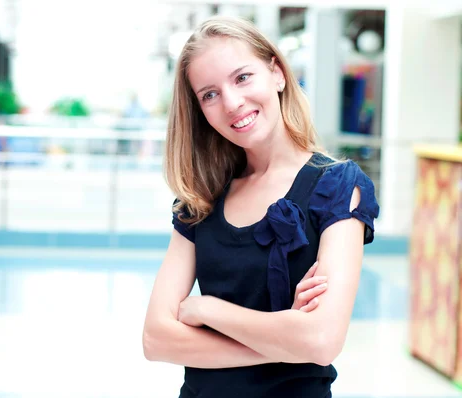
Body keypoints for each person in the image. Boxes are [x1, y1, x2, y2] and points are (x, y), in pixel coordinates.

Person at [142, 15, 380, 398]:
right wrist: (285, 337)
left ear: (277, 73)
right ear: (199, 110)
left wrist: (207, 311)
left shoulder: (337, 186)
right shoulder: (201, 198)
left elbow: (321, 341)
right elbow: (156, 339)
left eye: (242, 77)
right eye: (210, 94)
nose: (233, 103)